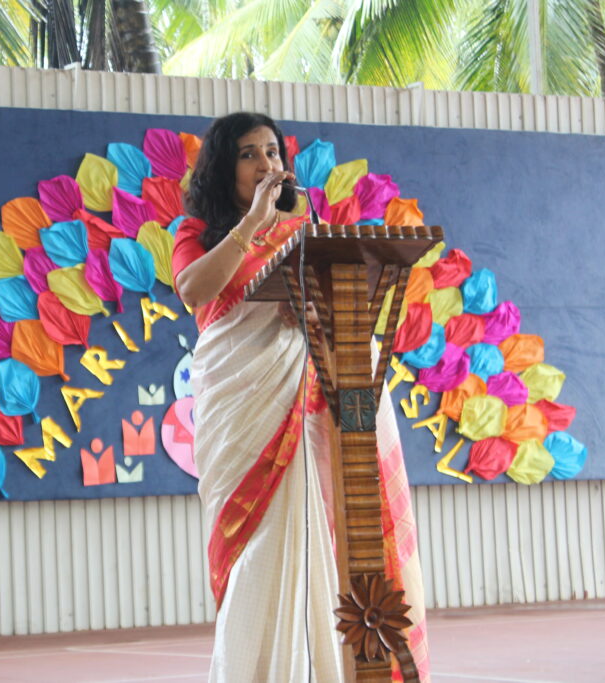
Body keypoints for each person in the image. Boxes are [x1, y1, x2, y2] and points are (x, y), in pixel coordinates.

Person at [171, 112, 429, 682]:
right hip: (243, 408)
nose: (266, 164)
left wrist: (314, 312)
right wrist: (253, 224)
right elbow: (193, 288)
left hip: (303, 399)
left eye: (272, 152)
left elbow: (325, 301)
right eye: (249, 154)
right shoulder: (198, 231)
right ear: (223, 167)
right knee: (259, 548)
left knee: (318, 533)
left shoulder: (303, 232)